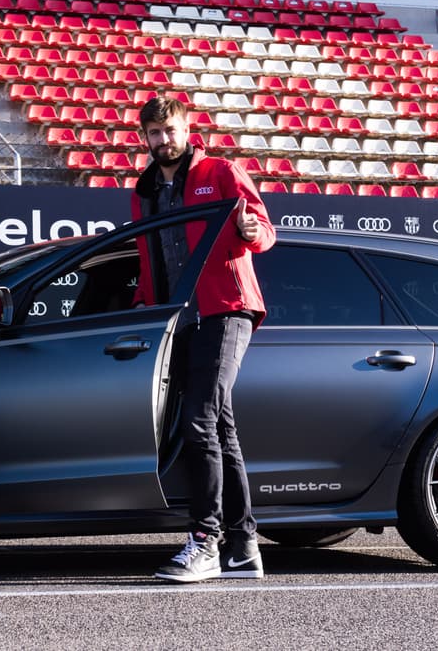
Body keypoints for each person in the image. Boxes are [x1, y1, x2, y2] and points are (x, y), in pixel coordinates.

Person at [130, 95, 275, 583]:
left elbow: (263, 231)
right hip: (177, 319)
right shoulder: (144, 189)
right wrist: (144, 310)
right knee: (220, 430)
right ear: (144, 137)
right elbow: (149, 256)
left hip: (225, 309)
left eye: (170, 130)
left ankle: (205, 540)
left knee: (199, 419)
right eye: (154, 133)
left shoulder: (221, 173)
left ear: (187, 129)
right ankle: (243, 547)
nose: (163, 140)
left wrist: (251, 229)